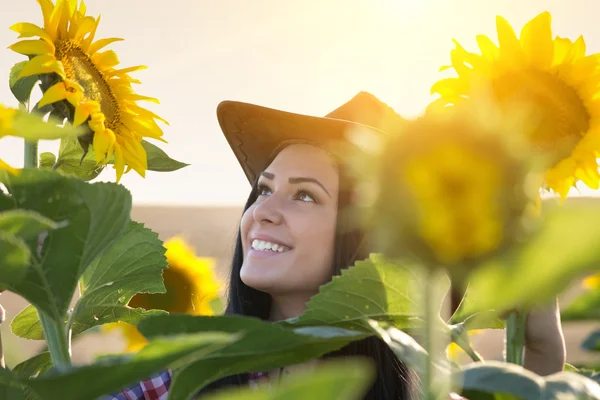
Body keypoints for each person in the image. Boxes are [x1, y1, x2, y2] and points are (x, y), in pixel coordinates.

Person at [103, 92, 566, 400]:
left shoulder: (421, 389)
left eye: (305, 195)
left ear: (371, 237)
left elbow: (528, 383)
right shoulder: (183, 376)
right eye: (264, 190)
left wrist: (540, 337)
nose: (261, 212)